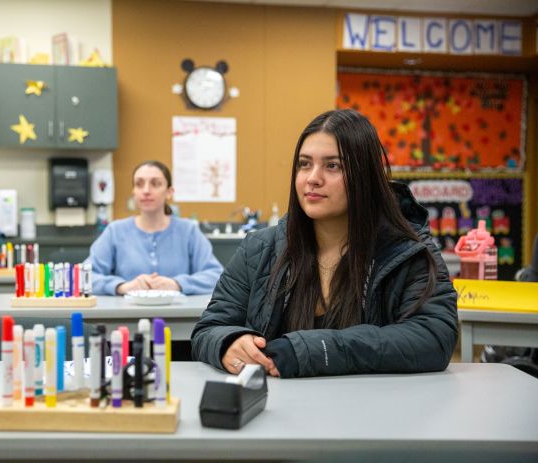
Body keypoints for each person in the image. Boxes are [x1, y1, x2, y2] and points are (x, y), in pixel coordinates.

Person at [191, 109, 458, 378]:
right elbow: (210, 328)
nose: (312, 178)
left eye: (333, 166)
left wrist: (314, 350)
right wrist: (229, 343)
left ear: (365, 176)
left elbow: (433, 337)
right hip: (279, 412)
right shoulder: (260, 248)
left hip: (376, 411)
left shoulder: (407, 251)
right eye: (304, 164)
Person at [89, 160, 223, 295]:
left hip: (179, 314)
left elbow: (217, 276)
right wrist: (121, 287)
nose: (146, 191)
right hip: (127, 314)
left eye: (155, 184)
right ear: (134, 192)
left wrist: (177, 284)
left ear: (169, 192)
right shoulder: (115, 231)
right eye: (139, 184)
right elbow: (85, 276)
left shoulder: (188, 231)